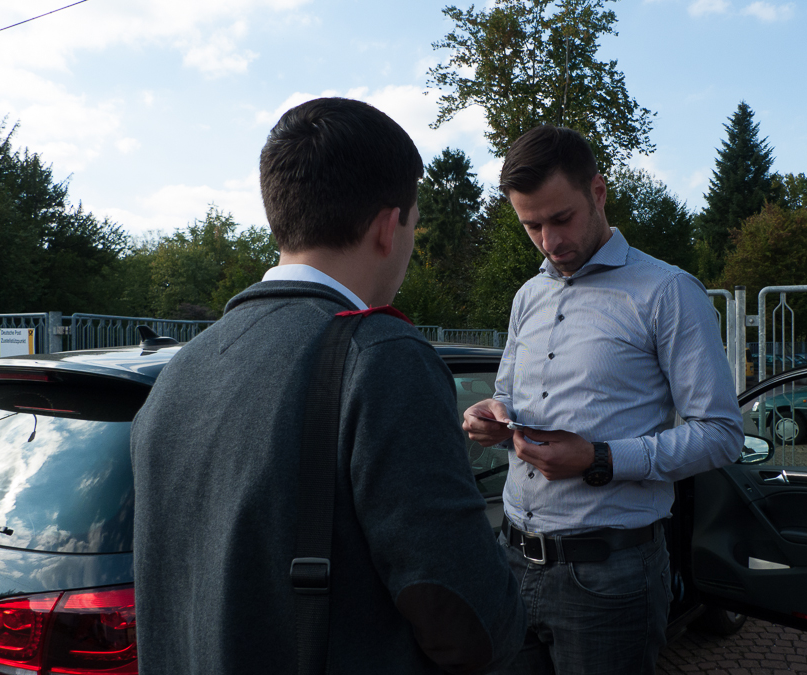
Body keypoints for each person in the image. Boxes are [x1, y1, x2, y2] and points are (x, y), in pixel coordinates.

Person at [131, 97, 524, 674]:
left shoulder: (181, 369)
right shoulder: (382, 356)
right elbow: (468, 619)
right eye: (414, 225)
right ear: (389, 227)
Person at [462, 125, 744, 674]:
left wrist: (601, 459)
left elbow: (721, 433)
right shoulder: (528, 296)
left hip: (611, 578)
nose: (549, 240)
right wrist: (489, 414)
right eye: (531, 225)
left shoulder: (667, 292)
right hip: (512, 558)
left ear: (597, 192)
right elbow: (505, 393)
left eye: (560, 218)